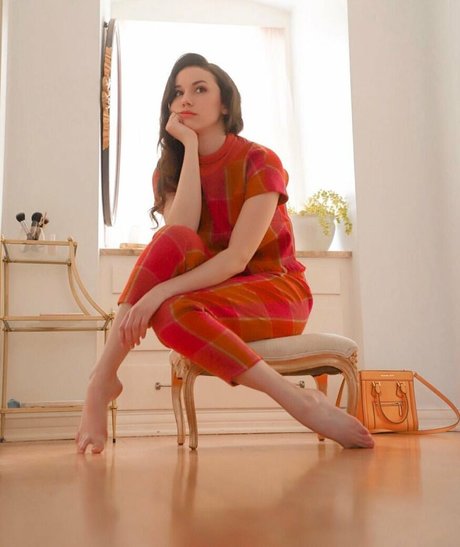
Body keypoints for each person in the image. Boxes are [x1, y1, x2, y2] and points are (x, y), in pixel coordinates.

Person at [76, 53, 374, 454]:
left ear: (226, 105)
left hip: (276, 292)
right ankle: (102, 379)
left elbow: (237, 259)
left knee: (165, 305)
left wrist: (157, 292)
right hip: (214, 293)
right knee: (170, 284)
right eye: (177, 93)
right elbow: (180, 232)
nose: (186, 99)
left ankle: (299, 403)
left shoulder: (259, 161)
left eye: (200, 89)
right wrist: (189, 148)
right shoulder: (169, 171)